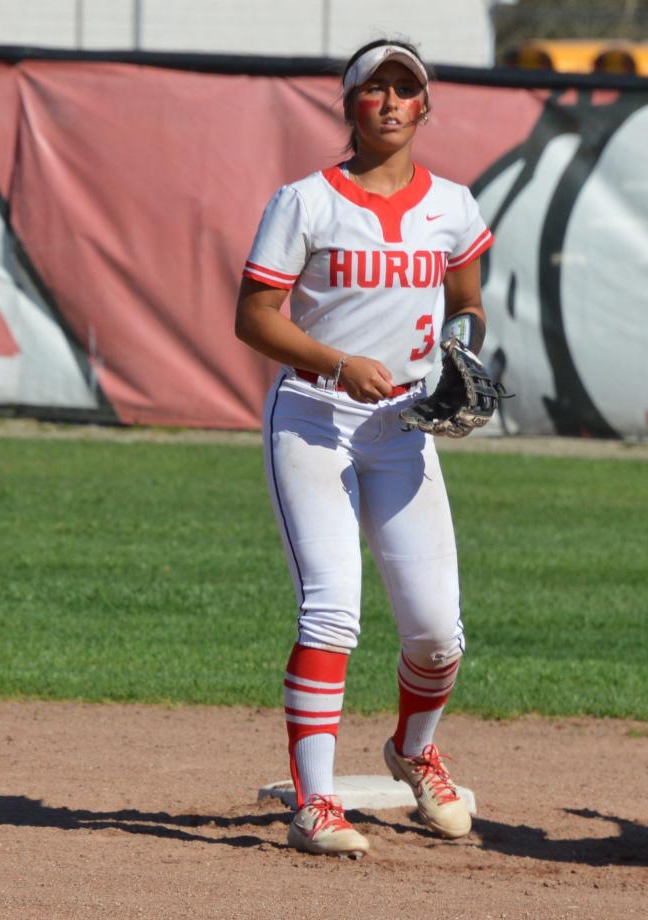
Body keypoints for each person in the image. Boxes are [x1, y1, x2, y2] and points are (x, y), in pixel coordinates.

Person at [235, 38, 494, 858]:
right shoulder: (306, 201)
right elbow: (255, 317)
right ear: (350, 107)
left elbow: (467, 298)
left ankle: (414, 752)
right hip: (314, 417)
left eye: (404, 88)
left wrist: (462, 350)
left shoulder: (452, 203)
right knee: (332, 610)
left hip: (404, 430)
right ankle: (315, 804)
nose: (389, 101)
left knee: (437, 635)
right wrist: (337, 363)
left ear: (425, 107)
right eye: (373, 89)